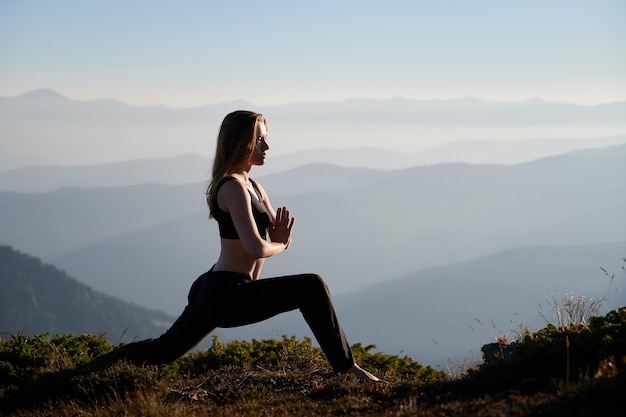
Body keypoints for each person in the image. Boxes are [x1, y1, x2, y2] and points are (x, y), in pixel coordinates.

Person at [92, 110, 380, 382]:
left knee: (162, 351)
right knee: (312, 286)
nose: (266, 146)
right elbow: (256, 247)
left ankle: (88, 369)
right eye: (259, 140)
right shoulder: (232, 187)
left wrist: (281, 238)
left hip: (224, 288)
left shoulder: (253, 185)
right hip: (226, 294)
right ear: (241, 142)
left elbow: (270, 238)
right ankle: (348, 369)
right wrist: (280, 244)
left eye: (265, 139)